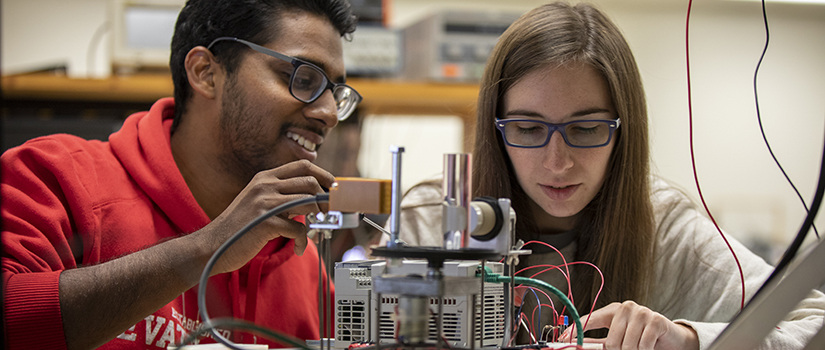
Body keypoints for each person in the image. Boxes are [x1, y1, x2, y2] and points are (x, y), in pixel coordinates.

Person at [387, 2, 825, 349]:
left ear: (623, 129)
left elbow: (815, 325)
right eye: (527, 128)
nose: (557, 162)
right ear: (495, 129)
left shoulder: (666, 231)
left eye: (585, 128)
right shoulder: (426, 222)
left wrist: (688, 339)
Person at [1, 0, 360, 349]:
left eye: (335, 92)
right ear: (205, 72)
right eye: (303, 78)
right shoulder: (54, 177)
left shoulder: (300, 258)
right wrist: (206, 249)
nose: (328, 113)